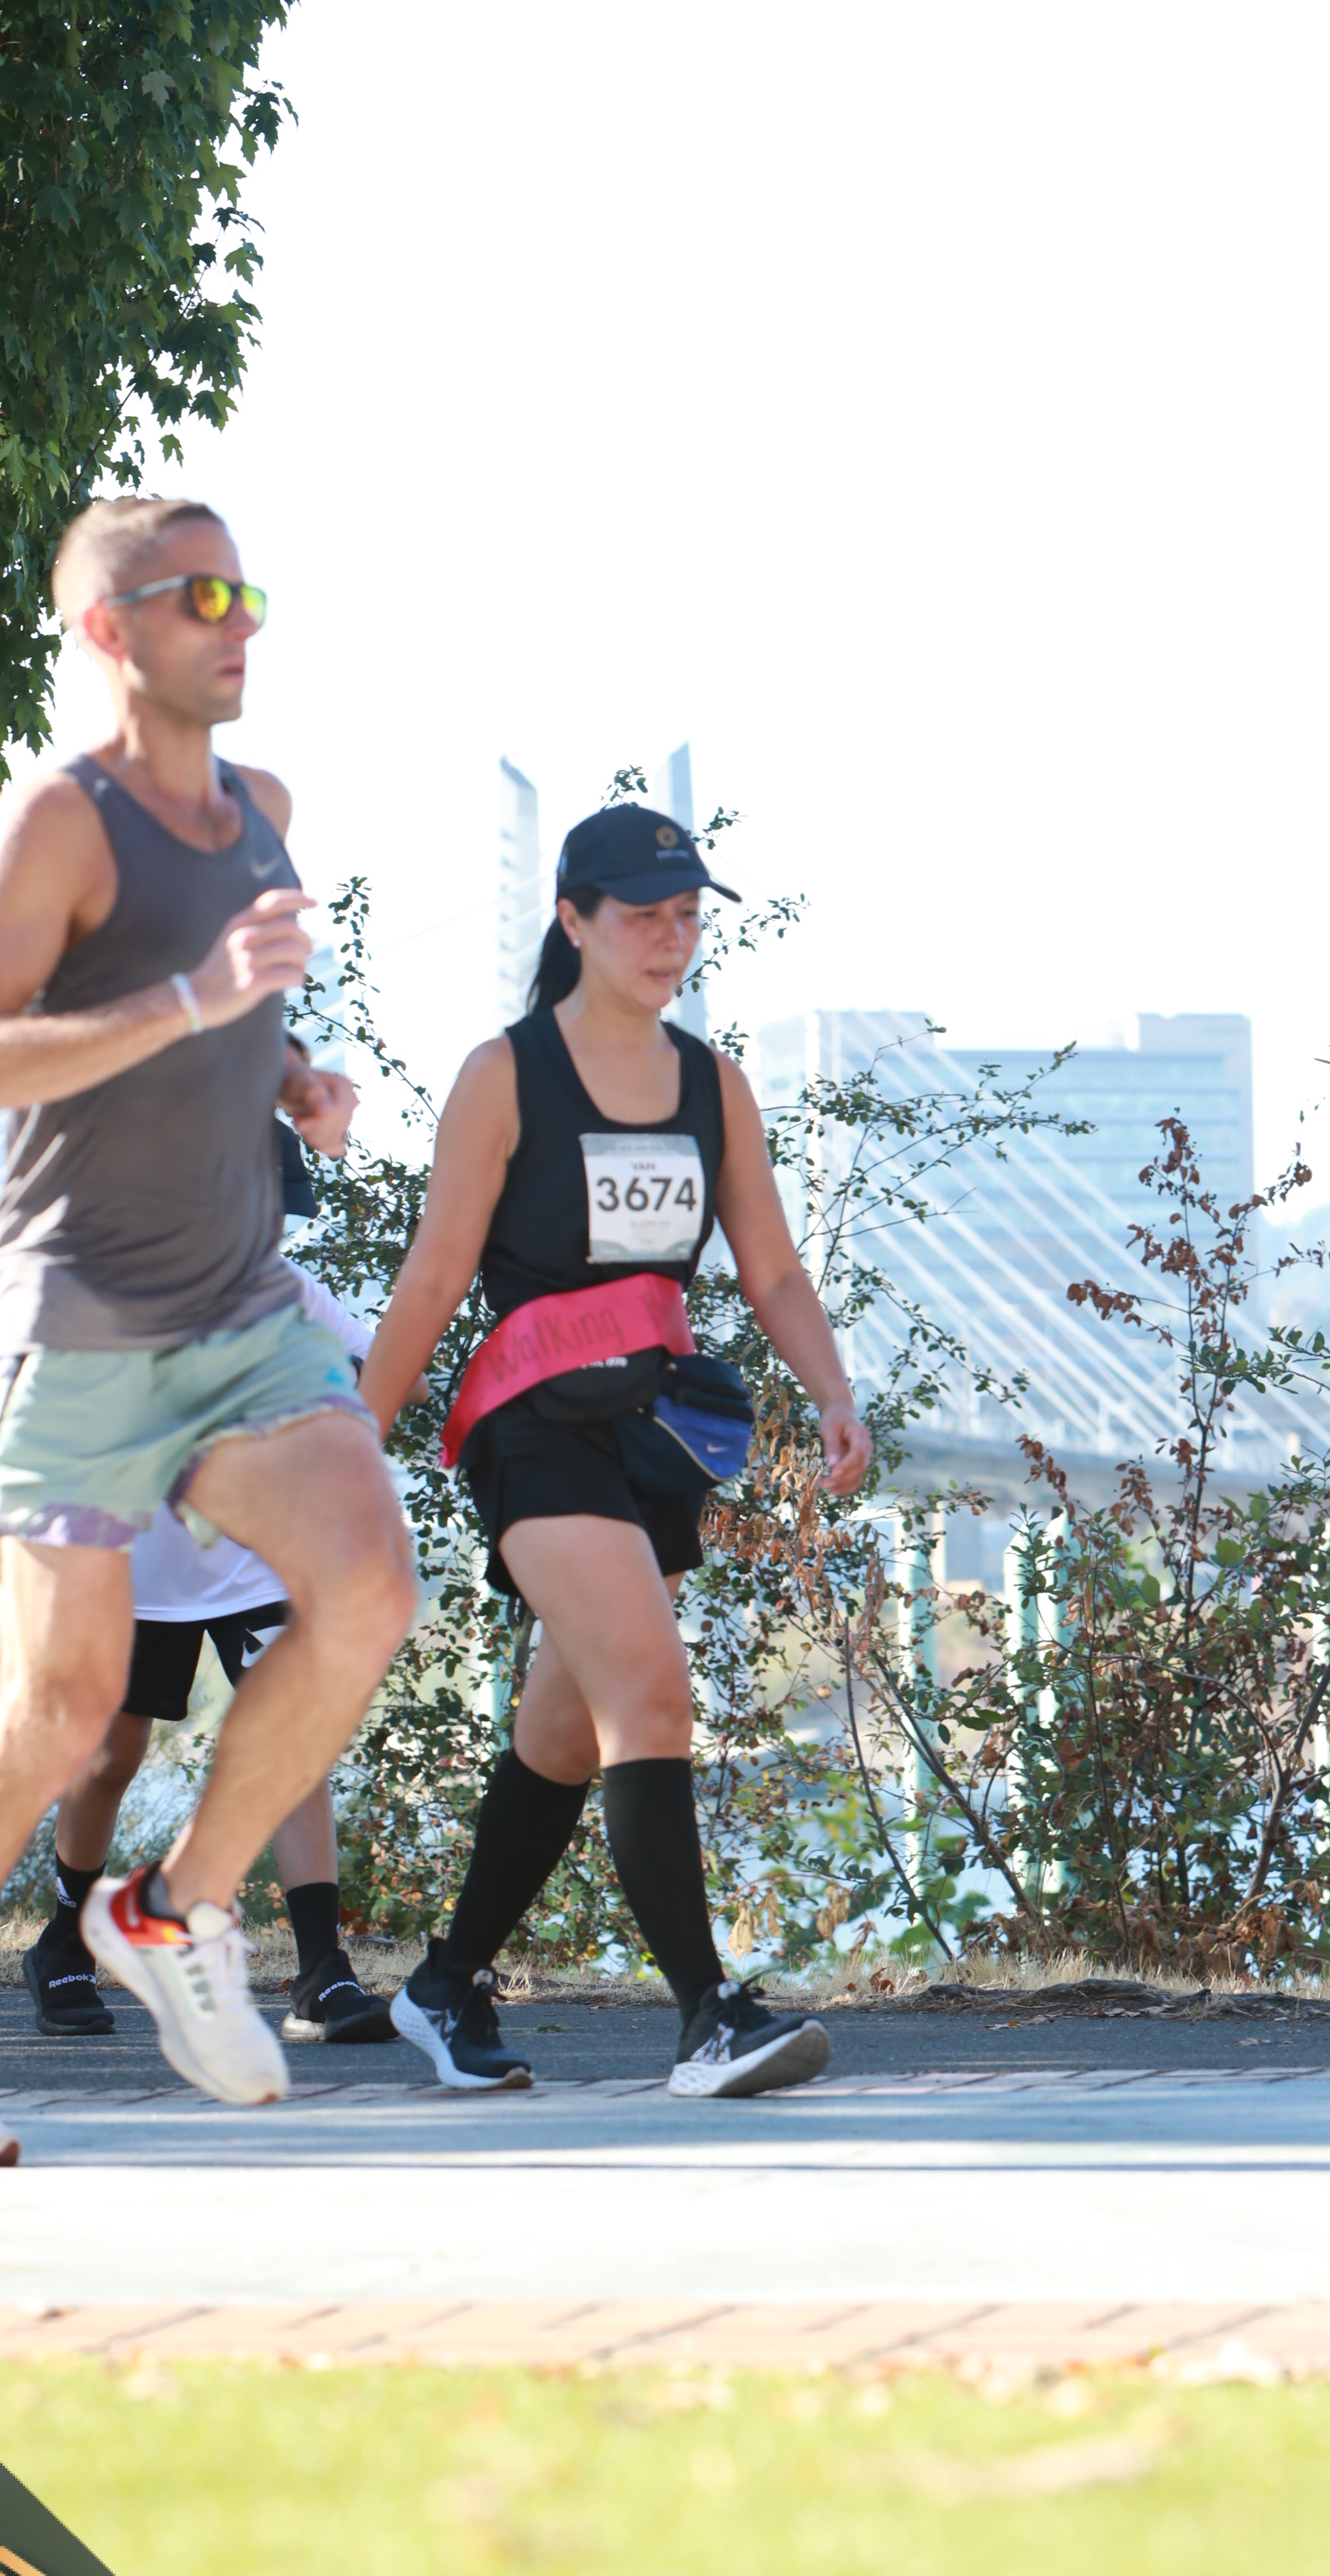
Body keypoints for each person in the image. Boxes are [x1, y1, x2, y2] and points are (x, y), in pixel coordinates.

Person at [0, 494, 417, 2167]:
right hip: (75, 1319)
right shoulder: (61, 823)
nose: (239, 621)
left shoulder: (263, 814)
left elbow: (232, 1032)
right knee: (61, 1711)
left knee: (368, 1588)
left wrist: (291, 1080)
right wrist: (197, 999)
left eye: (246, 592)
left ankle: (172, 1907)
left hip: (237, 1305)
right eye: (197, 596)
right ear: (107, 631)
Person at [359, 802, 873, 2098]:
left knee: (568, 1733)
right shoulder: (506, 1075)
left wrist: (833, 1391)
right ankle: (709, 2017)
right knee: (649, 1691)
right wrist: (353, 1441)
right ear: (574, 921)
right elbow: (433, 1277)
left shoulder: (713, 1085)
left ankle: (443, 1985)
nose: (671, 939)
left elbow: (772, 1269)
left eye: (688, 916)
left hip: (648, 1434)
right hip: (532, 1430)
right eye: (644, 915)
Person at [24, 1069, 407, 2045]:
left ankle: (320, 1972)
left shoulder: (289, 1295)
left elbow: (379, 1374)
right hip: (138, 1569)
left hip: (257, 1565)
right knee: (111, 1757)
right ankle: (63, 1941)